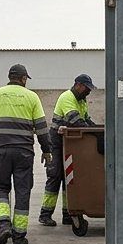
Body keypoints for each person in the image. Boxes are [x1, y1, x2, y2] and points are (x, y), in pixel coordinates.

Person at [0, 63, 49, 244]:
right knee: (23, 191)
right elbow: (42, 129)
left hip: (1, 150)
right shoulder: (32, 97)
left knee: (0, 187)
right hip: (24, 152)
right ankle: (19, 235)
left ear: (9, 77)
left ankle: (3, 226)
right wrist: (47, 150)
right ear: (23, 78)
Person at [39, 74, 98, 227]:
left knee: (69, 178)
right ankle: (45, 214)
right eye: (87, 88)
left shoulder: (81, 100)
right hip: (56, 142)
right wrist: (94, 133)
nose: (88, 92)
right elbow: (76, 121)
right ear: (78, 85)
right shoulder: (67, 97)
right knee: (55, 175)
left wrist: (97, 130)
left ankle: (68, 213)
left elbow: (86, 120)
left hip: (70, 142)